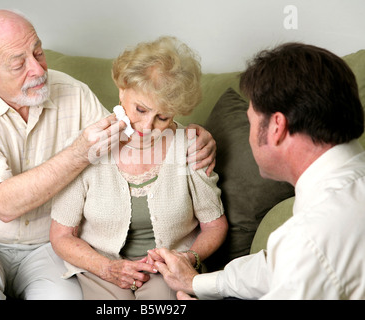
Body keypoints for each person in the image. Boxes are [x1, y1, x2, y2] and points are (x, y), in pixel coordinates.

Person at [0, 10, 216, 300]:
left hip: (44, 246)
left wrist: (191, 136)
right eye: (18, 63)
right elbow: (3, 204)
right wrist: (78, 154)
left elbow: (130, 135)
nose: (37, 70)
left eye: (38, 53)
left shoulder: (73, 92)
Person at [149, 42, 365, 300]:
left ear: (277, 127)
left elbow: (303, 256)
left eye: (251, 120)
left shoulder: (311, 235)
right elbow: (276, 267)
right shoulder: (342, 194)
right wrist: (197, 282)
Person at [50, 36, 228, 300]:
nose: (147, 126)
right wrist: (107, 267)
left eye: (163, 117)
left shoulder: (191, 147)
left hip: (167, 268)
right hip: (101, 267)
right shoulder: (88, 146)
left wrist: (187, 258)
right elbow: (61, 235)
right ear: (122, 90)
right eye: (140, 109)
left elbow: (214, 225)